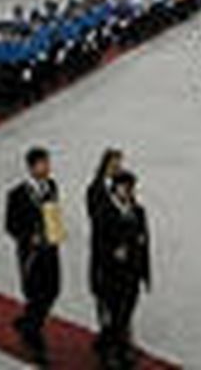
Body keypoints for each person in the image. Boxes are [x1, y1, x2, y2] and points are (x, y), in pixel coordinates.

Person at [5, 146, 65, 364]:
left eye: (48, 163)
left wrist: (56, 232)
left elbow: (53, 212)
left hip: (51, 250)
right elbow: (11, 225)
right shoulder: (17, 194)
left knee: (54, 290)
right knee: (36, 294)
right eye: (44, 163)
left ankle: (27, 322)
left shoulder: (51, 186)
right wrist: (29, 237)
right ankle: (35, 339)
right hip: (31, 254)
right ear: (32, 167)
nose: (48, 167)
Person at [94, 170, 151, 368]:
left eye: (131, 187)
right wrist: (112, 253)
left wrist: (145, 272)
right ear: (115, 188)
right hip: (111, 273)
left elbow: (145, 242)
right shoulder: (104, 212)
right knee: (114, 315)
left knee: (126, 313)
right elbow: (97, 244)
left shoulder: (138, 211)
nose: (128, 191)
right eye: (124, 187)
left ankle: (118, 348)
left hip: (132, 272)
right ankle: (110, 351)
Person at [87, 147, 125, 343]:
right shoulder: (95, 190)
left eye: (120, 163)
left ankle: (120, 340)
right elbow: (97, 223)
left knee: (121, 301)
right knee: (105, 301)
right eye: (114, 163)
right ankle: (107, 341)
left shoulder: (123, 186)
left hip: (122, 254)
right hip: (104, 253)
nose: (118, 167)